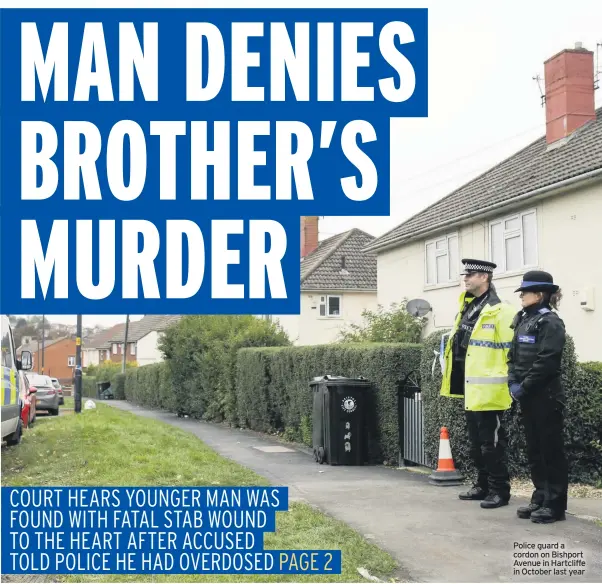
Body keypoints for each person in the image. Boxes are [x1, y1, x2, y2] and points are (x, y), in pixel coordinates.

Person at [440, 258, 516, 509]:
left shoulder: (501, 310)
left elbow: (511, 351)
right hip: (471, 389)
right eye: (465, 274)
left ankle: (499, 491)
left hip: (491, 391)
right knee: (475, 443)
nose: (466, 278)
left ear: (484, 277)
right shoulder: (468, 307)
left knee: (491, 444)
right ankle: (482, 485)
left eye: (470, 274)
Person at [508, 270, 568, 524]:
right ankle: (540, 496)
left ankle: (554, 505)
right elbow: (513, 354)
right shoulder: (524, 319)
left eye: (525, 292)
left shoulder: (550, 322)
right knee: (534, 449)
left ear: (540, 295)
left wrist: (525, 386)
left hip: (545, 396)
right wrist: (512, 381)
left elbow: (547, 362)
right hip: (527, 394)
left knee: (550, 451)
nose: (521, 296)